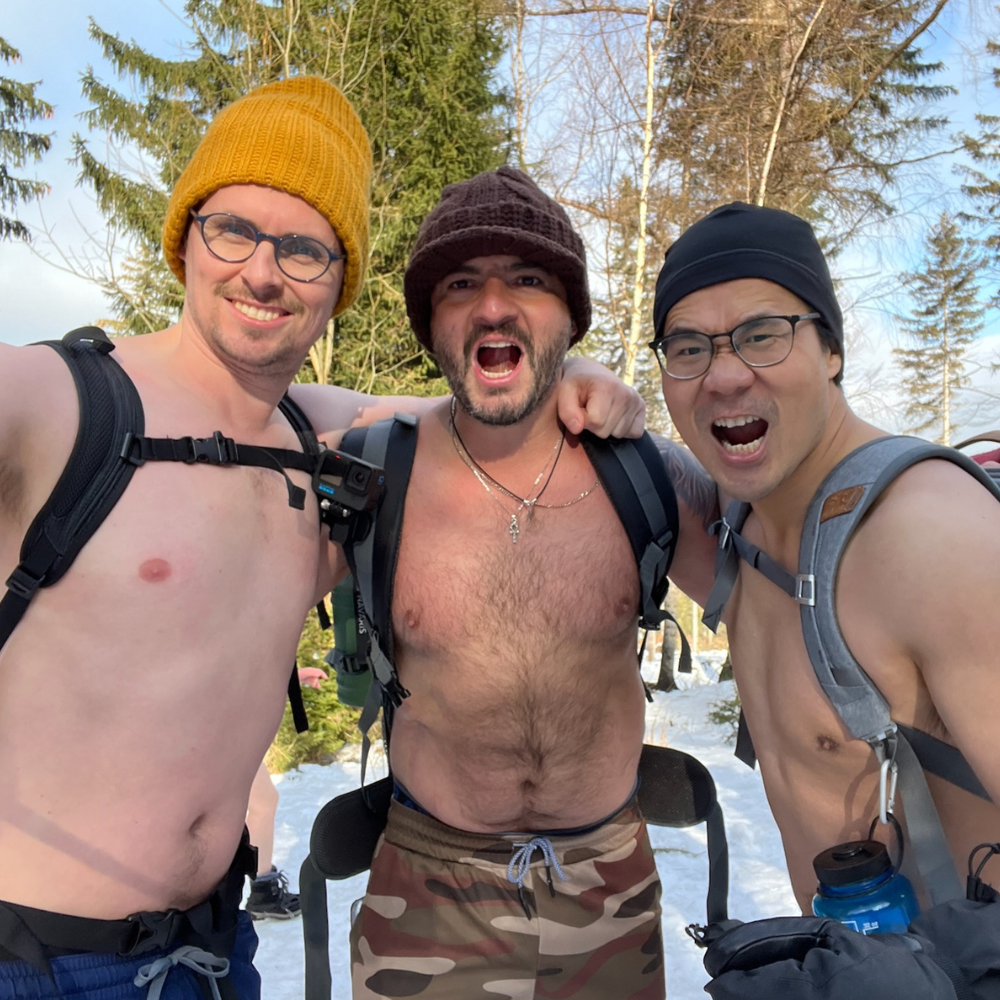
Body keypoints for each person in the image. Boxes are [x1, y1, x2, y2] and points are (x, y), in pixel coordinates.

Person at [0, 79, 643, 1000]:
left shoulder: (319, 435)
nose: (264, 272)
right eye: (234, 231)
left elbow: (481, 403)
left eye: (305, 250)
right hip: (33, 962)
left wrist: (571, 364)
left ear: (339, 283)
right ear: (186, 237)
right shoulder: (57, 405)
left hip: (217, 958)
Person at [347, 166, 719, 1000]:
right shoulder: (374, 471)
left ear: (570, 316)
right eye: (460, 283)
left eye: (528, 280)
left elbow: (785, 581)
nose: (491, 305)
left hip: (610, 897)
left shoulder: (647, 478)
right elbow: (248, 407)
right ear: (429, 320)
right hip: (426, 901)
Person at [650, 202, 1000, 993]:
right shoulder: (738, 538)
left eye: (764, 333)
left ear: (832, 348)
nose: (725, 372)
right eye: (688, 346)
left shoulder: (926, 537)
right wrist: (583, 379)